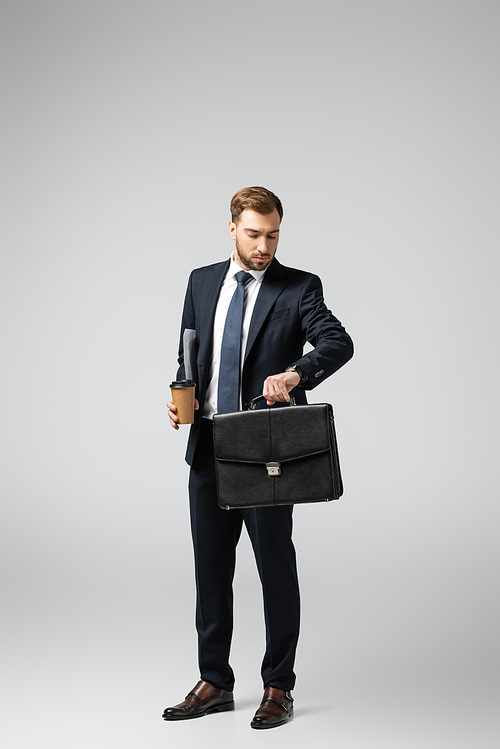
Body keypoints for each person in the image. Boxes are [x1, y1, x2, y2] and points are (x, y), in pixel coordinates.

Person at [163, 186, 353, 729]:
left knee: (275, 569)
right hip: (210, 449)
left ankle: (279, 686)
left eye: (272, 235)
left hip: (267, 451)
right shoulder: (201, 282)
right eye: (254, 234)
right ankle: (215, 682)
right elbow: (188, 351)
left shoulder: (299, 288)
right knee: (210, 571)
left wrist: (296, 374)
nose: (264, 245)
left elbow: (338, 342)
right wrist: (181, 393)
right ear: (232, 229)